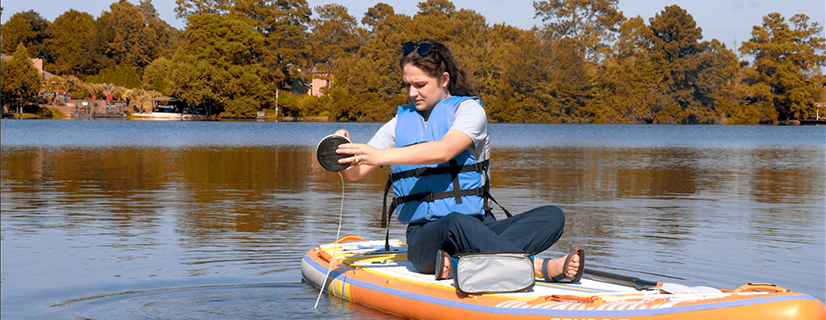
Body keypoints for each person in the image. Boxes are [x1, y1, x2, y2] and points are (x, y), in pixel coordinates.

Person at [333, 39, 582, 282]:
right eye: (407, 84)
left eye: (419, 84)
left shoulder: (469, 111)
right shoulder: (399, 123)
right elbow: (355, 173)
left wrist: (380, 155)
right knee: (454, 221)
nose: (412, 93)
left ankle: (457, 265)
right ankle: (537, 267)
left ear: (443, 80)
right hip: (427, 240)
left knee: (552, 216)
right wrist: (341, 151)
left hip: (481, 226)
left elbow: (445, 150)